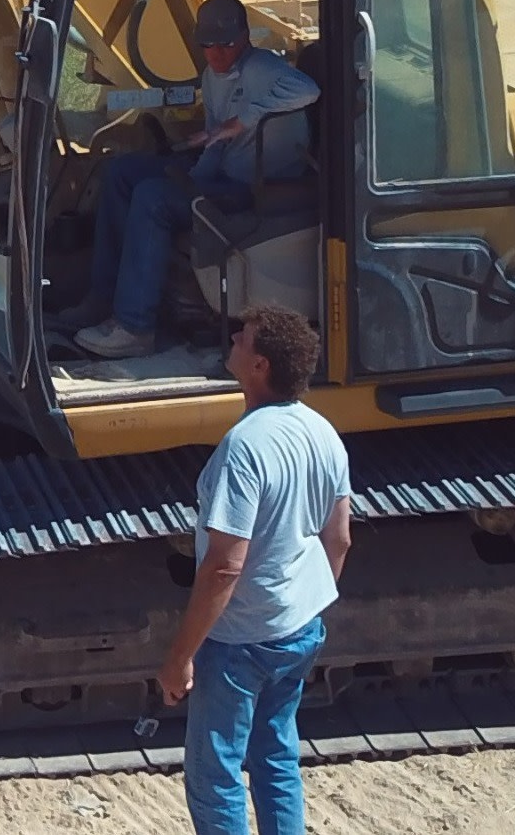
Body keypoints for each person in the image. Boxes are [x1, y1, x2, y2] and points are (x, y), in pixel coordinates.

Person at [155, 306, 351, 835]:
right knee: (275, 756)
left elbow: (223, 567)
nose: (235, 336)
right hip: (300, 628)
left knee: (214, 773)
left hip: (241, 640)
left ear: (259, 365)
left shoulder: (243, 452)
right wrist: (300, 603)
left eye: (245, 338)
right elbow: (339, 538)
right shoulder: (321, 431)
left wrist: (181, 657)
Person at [63, 0, 318, 360]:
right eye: (208, 45)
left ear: (245, 37)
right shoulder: (212, 77)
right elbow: (214, 138)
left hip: (256, 189)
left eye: (227, 44)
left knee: (154, 198)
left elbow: (310, 90)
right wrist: (194, 177)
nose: (217, 54)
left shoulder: (264, 69)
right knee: (121, 172)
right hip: (221, 175)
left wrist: (244, 120)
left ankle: (135, 327)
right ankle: (104, 298)